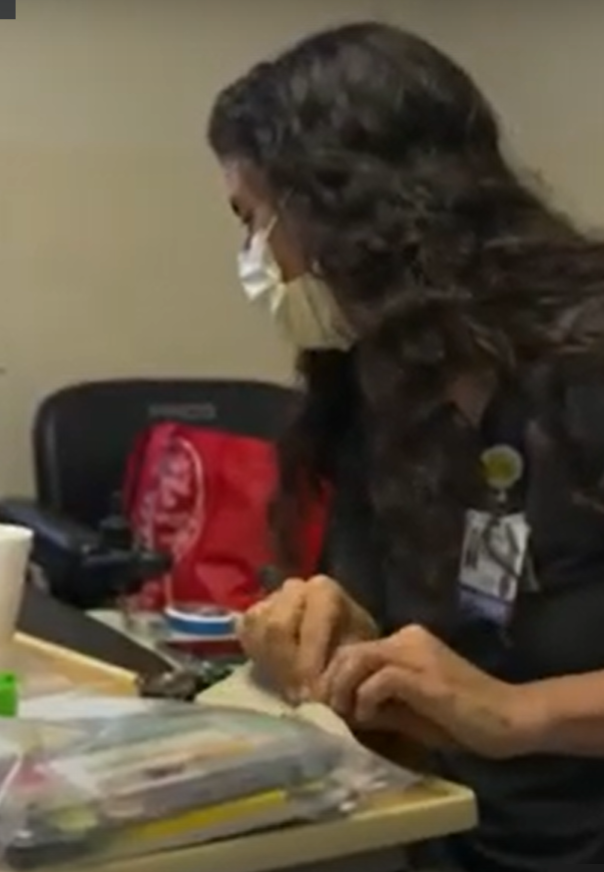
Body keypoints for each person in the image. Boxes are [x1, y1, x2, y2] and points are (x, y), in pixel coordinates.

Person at [214, 21, 604, 871]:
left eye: (253, 222)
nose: (252, 261)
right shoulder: (384, 391)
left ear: (347, 210)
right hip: (453, 839)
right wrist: (339, 636)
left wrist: (521, 713)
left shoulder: (586, 370)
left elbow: (500, 696)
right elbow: (415, 642)